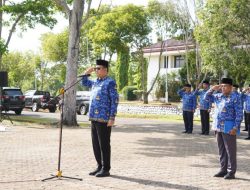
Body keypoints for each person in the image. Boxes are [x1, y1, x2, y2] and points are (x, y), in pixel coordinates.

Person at [81, 59, 119, 177]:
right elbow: (84, 82)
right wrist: (87, 72)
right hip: (93, 117)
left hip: (104, 118)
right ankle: (99, 166)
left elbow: (115, 100)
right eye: (95, 68)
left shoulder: (110, 82)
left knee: (104, 144)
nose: (96, 70)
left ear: (105, 70)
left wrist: (112, 117)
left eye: (98, 68)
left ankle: (106, 168)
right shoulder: (95, 82)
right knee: (96, 144)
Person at [205, 78, 243, 179]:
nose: (222, 88)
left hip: (229, 127)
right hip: (218, 127)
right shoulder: (218, 96)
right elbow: (206, 98)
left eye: (225, 86)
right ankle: (223, 169)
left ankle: (231, 172)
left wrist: (235, 127)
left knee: (230, 150)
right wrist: (213, 89)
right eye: (221, 86)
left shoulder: (236, 97)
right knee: (221, 150)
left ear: (231, 87)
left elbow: (239, 114)